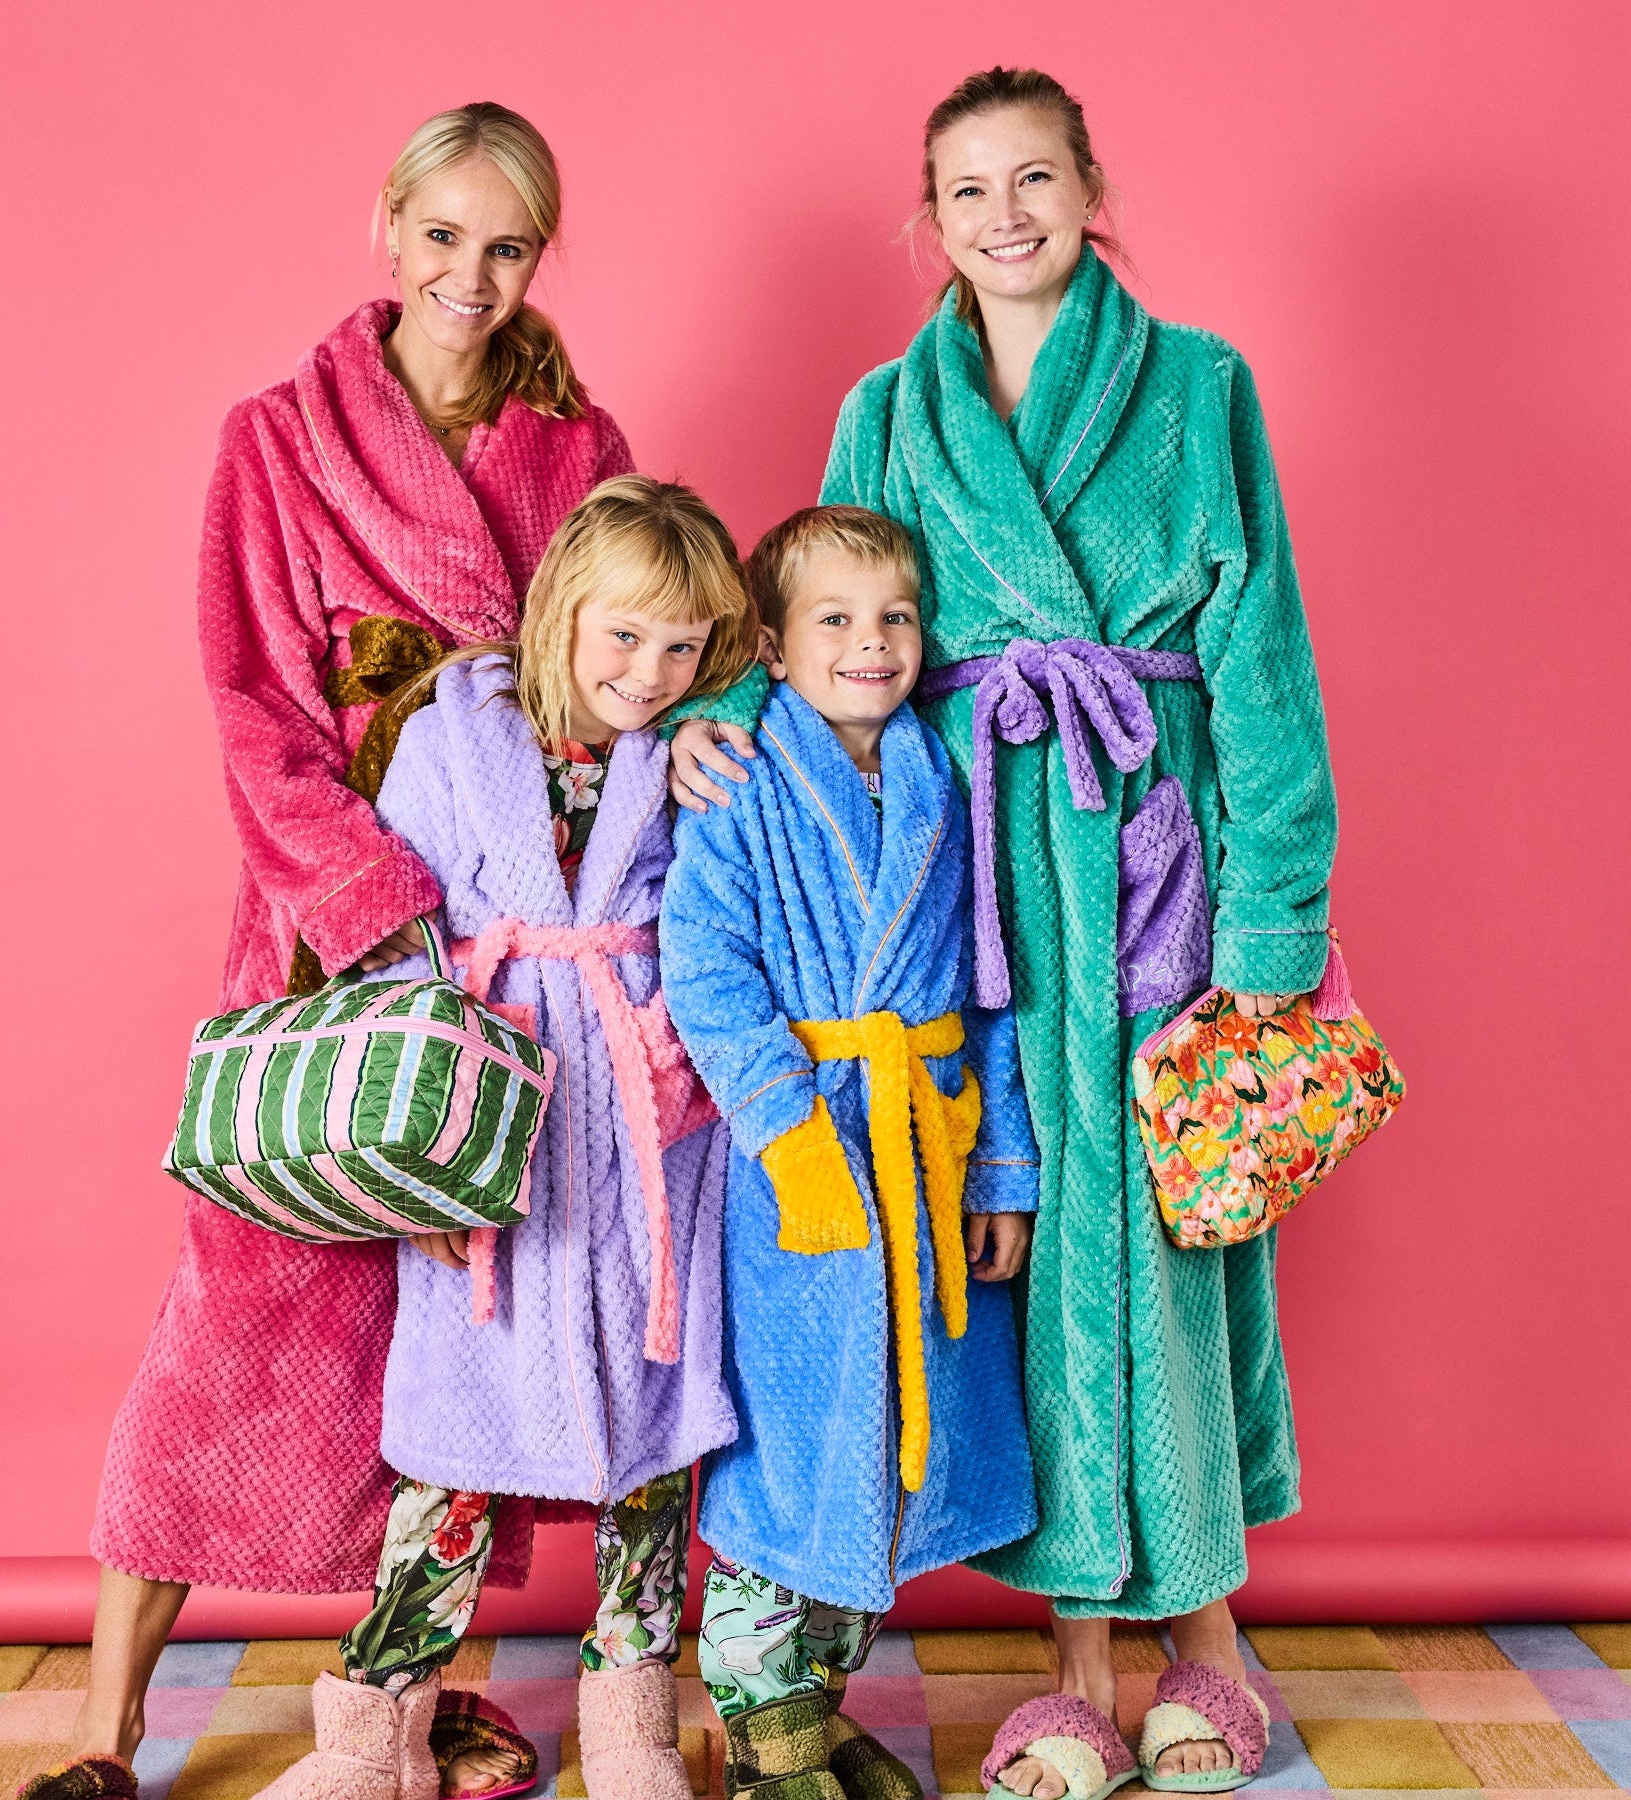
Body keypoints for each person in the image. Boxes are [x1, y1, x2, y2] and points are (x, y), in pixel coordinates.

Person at [671, 68, 1337, 1800]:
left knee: (1177, 1256)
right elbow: (813, 613)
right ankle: (1069, 1673)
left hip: (1145, 865)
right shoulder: (888, 408)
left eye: (1034, 177)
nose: (1006, 215)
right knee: (1024, 1272)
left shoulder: (1200, 387)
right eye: (968, 192)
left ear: (1092, 184)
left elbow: (1261, 663)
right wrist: (711, 723)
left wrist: (1273, 932)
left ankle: (1209, 1655)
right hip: (974, 880)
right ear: (931, 221)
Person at [31, 105, 635, 1800]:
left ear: (536, 260)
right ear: (388, 229)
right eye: (442, 235)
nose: (470, 274)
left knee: (449, 1335)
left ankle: (404, 1699)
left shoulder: (577, 452)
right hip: (326, 925)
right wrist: (374, 910)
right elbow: (249, 707)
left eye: (506, 245)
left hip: (512, 931)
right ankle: (104, 1730)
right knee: (236, 1307)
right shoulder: (276, 441)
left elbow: (618, 665)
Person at [253, 476, 755, 1800]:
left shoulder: (695, 750)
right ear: (561, 612)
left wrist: (679, 1057)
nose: (649, 672)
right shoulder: (452, 736)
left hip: (650, 1127)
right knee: (454, 1456)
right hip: (496, 1120)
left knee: (655, 1442)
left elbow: (722, 921)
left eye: (682, 645)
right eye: (624, 634)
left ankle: (634, 1728)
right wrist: (418, 1144)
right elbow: (398, 938)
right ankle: (371, 1738)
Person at [661, 506, 1041, 1800]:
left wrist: (1002, 1173)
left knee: (881, 1456)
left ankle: (814, 1720)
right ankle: (764, 1742)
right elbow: (704, 964)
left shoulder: (945, 773)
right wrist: (786, 1129)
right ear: (771, 645)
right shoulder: (737, 774)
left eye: (895, 617)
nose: (870, 643)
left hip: (925, 1150)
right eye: (834, 618)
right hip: (805, 1161)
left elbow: (992, 985)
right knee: (794, 1449)